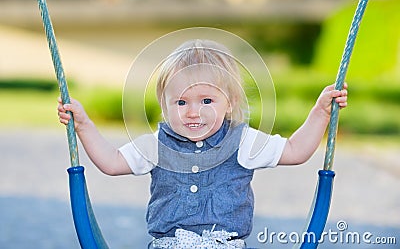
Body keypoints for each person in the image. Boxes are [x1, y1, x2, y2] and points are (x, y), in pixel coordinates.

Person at [57, 39, 348, 248]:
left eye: (207, 101)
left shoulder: (242, 141)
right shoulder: (158, 145)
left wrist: (320, 112)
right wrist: (83, 125)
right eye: (181, 102)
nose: (193, 112)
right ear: (164, 105)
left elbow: (295, 151)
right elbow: (111, 162)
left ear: (230, 102)